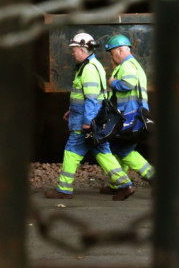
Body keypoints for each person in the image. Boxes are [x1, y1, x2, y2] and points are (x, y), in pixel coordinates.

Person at [44, 32, 136, 201]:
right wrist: (72, 109)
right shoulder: (91, 66)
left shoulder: (89, 69)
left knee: (71, 152)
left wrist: (87, 122)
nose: (72, 53)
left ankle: (64, 189)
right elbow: (86, 96)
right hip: (88, 118)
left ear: (82, 49)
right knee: (103, 152)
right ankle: (125, 185)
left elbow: (92, 99)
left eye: (74, 49)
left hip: (85, 121)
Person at [100, 34, 155, 195]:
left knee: (123, 150)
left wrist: (113, 83)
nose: (111, 57)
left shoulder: (128, 65)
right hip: (135, 114)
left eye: (112, 53)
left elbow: (128, 84)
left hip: (131, 115)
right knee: (119, 147)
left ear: (120, 50)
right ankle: (117, 184)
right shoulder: (135, 65)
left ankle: (153, 177)